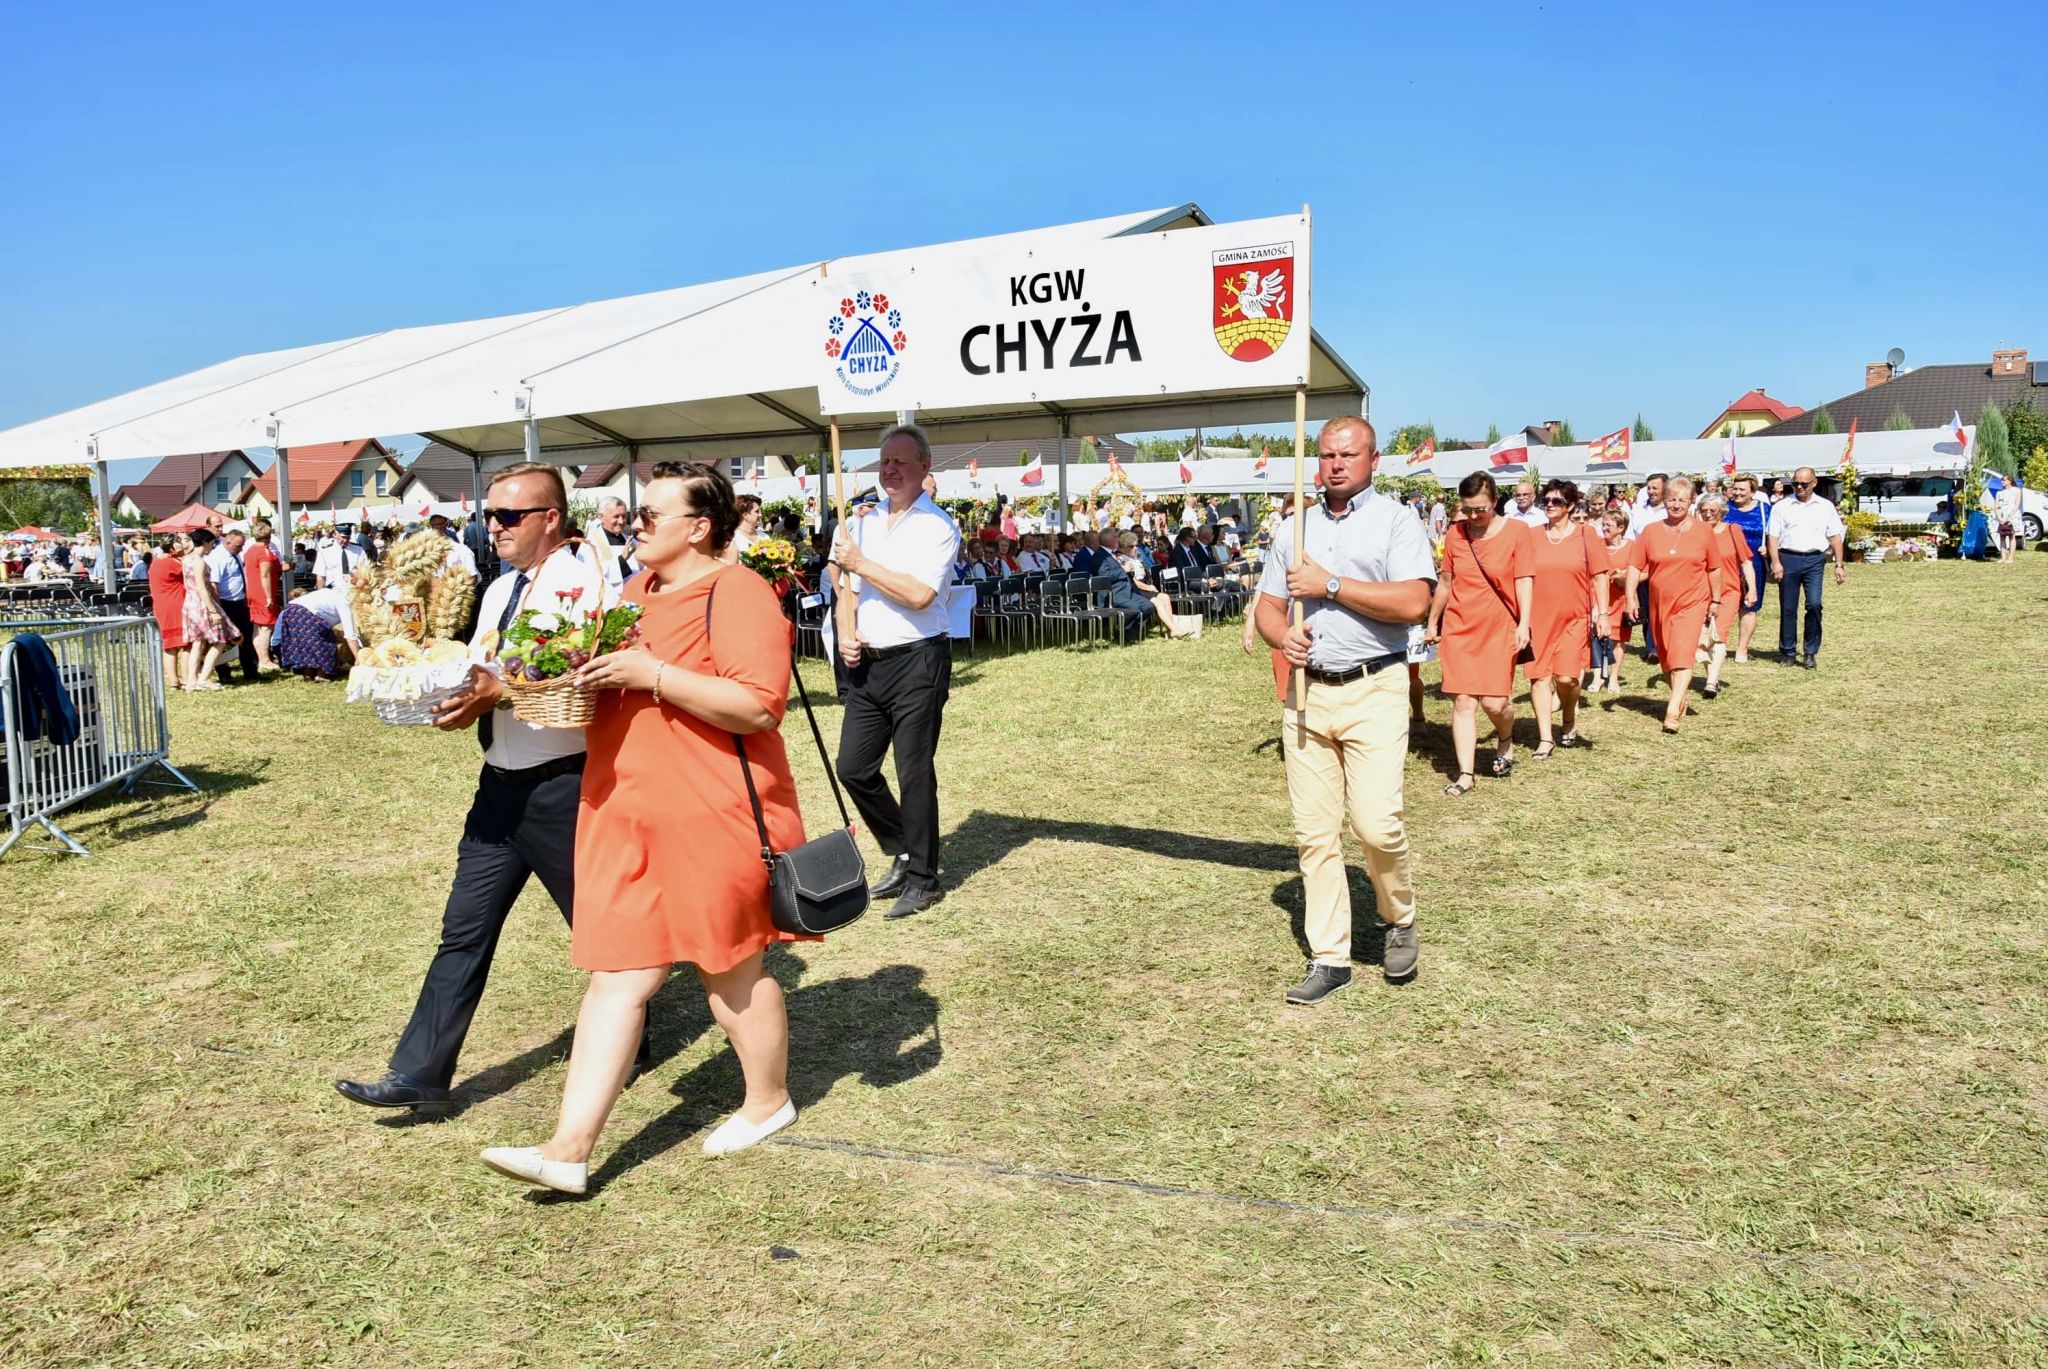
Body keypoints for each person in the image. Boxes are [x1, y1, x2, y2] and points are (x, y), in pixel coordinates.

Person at [480, 464, 810, 1193]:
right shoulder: (633, 593)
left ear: (699, 526)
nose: (636, 521)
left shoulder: (739, 590)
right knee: (618, 975)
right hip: (625, 810)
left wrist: (651, 674)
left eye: (653, 512)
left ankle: (768, 1100)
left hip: (713, 813)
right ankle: (567, 1150)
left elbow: (758, 705)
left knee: (730, 974)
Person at [336, 462, 625, 1110]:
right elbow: (484, 669)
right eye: (489, 514)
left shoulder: (585, 584)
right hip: (499, 788)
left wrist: (504, 690)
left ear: (551, 518)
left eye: (508, 515)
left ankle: (631, 1035)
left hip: (565, 789)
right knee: (463, 929)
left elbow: (588, 683)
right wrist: (432, 684)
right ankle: (420, 1074)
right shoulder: (500, 590)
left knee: (604, 932)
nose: (491, 526)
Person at [1255, 417, 1434, 1004]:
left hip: (1374, 689)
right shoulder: (1293, 529)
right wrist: (1284, 637)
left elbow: (1414, 602)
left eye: (1348, 454)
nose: (1335, 464)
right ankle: (1330, 956)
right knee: (1314, 834)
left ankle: (1398, 916)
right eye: (1327, 454)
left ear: (1373, 460)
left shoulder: (1397, 521)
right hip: (1307, 696)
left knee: (1376, 824)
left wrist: (1330, 585)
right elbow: (1269, 607)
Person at [828, 423, 960, 921]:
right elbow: (845, 586)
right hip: (869, 663)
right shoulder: (861, 522)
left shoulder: (938, 527)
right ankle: (905, 849)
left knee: (913, 772)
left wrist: (861, 563)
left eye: (901, 462)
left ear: (925, 468)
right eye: (884, 461)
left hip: (918, 660)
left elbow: (920, 595)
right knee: (854, 768)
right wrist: (845, 630)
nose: (890, 470)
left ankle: (924, 879)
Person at [1425, 471, 1534, 794]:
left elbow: (1524, 579)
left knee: (1494, 703)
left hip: (1500, 627)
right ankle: (1466, 774)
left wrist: (1524, 623)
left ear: (1495, 502)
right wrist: (1433, 621)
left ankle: (1505, 736)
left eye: (1480, 510)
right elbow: (1446, 583)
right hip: (1460, 627)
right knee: (1463, 701)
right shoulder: (1457, 535)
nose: (1473, 517)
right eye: (1468, 509)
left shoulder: (1518, 531)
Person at [1624, 475, 1719, 733]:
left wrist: (1716, 599)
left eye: (1682, 500)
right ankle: (1680, 696)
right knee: (1666, 657)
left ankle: (1672, 710)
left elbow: (1713, 569)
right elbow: (1634, 566)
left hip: (1692, 601)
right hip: (1658, 603)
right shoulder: (1650, 531)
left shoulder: (1704, 532)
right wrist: (1631, 597)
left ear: (1691, 502)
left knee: (1682, 653)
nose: (1676, 504)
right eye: (1671, 499)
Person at [1523, 479, 1611, 758]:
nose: (1549, 505)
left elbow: (1600, 576)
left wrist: (1604, 612)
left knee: (1567, 679)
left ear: (1571, 506)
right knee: (1539, 678)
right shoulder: (1531, 536)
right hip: (1538, 617)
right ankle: (1546, 739)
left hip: (1574, 617)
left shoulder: (1587, 536)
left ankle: (1569, 716)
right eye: (1545, 500)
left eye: (1557, 501)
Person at [1765, 465, 1846, 669]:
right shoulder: (1782, 506)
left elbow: (1835, 536)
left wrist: (1839, 565)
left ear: (1814, 483)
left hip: (1814, 560)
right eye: (1795, 483)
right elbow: (1772, 537)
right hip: (1788, 558)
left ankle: (1810, 651)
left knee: (1814, 604)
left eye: (1803, 484)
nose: (1799, 487)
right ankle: (1788, 651)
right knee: (1788, 607)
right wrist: (1776, 562)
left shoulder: (1825, 506)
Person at [1698, 494, 1756, 700]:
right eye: (1703, 511)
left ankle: (1711, 683)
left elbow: (1746, 562)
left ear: (1722, 511)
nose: (1707, 514)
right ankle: (1710, 676)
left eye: (1712, 511)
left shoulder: (1733, 531)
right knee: (1703, 638)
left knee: (1719, 634)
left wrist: (1752, 589)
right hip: (1702, 592)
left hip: (1729, 591)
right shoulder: (1696, 533)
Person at [1106, 531, 1198, 640]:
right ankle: (1174, 630)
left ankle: (1170, 629)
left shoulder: (1132, 556)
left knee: (1165, 597)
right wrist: (1148, 587)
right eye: (1132, 546)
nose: (1135, 548)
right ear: (1124, 547)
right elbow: (1132, 581)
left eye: (1136, 545)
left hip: (1143, 585)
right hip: (1134, 589)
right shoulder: (1120, 559)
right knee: (1158, 602)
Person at [180, 530, 239, 691]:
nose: (213, 547)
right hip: (201, 603)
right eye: (212, 543)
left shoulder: (186, 560)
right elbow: (202, 588)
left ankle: (192, 681)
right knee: (220, 640)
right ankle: (204, 677)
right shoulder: (199, 562)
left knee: (197, 643)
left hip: (189, 603)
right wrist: (213, 611)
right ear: (206, 542)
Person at [1722, 475, 1770, 662]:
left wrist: (1769, 549)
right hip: (1728, 562)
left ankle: (1742, 649)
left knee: (1749, 605)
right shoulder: (1725, 509)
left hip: (1755, 562)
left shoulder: (1764, 510)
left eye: (1742, 489)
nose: (1737, 493)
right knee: (1723, 603)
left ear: (1753, 491)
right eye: (1735, 489)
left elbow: (1774, 533)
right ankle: (1720, 645)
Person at [274, 585, 362, 679]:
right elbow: (350, 633)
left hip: (289, 610)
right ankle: (321, 674)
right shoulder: (344, 602)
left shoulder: (328, 593)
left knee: (303, 644)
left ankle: (309, 672)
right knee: (325, 642)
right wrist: (358, 658)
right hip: (307, 614)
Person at [206, 528, 258, 684]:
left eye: (242, 546)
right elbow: (214, 584)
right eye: (238, 546)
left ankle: (250, 670)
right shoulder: (218, 557)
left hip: (239, 602)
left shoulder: (234, 555)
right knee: (224, 640)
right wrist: (219, 608)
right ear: (227, 542)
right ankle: (224, 673)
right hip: (225, 603)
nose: (241, 549)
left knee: (246, 637)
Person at [1592, 509, 1632, 693]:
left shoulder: (1632, 547)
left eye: (1609, 525)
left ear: (1621, 528)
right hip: (1600, 599)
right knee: (1598, 637)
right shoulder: (1597, 546)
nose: (1604, 528)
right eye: (1603, 524)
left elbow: (1645, 571)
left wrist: (1627, 577)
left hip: (1622, 599)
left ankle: (1614, 677)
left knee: (1618, 639)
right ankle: (1598, 676)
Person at [147, 533, 190, 692]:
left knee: (169, 645)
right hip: (176, 605)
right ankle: (186, 679)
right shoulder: (174, 563)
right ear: (172, 548)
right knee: (186, 645)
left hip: (161, 606)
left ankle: (173, 681)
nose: (183, 546)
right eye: (179, 543)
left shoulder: (156, 562)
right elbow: (191, 568)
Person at [242, 521, 282, 673]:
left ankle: (260, 658)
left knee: (257, 627)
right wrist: (269, 597)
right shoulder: (264, 552)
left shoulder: (249, 551)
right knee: (266, 626)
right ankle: (265, 659)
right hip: (263, 592)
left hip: (252, 591)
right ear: (268, 536)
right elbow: (264, 575)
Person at [592, 496, 635, 587]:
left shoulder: (631, 541)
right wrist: (622, 560)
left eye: (624, 516)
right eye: (616, 516)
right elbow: (593, 577)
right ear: (601, 517)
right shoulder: (590, 545)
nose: (621, 521)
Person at [1995, 478, 2023, 563]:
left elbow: (2017, 504)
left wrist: (2010, 516)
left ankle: (2010, 558)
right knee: (2002, 536)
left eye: (2004, 480)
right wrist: (2000, 517)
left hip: (2012, 515)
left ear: (2009, 481)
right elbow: (1996, 506)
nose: (2002, 482)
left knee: (2011, 535)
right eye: (2001, 480)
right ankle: (2003, 557)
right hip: (2002, 516)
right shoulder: (1999, 492)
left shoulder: (2017, 490)